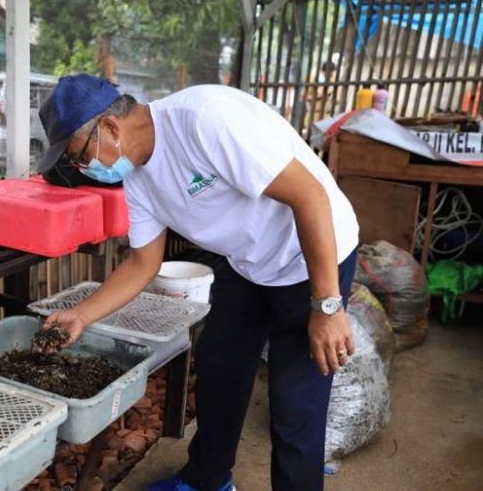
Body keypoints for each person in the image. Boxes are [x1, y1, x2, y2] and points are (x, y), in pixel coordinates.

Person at [36, 73, 359, 491]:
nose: (81, 169)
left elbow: (309, 196)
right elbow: (142, 264)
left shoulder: (206, 120)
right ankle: (208, 479)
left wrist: (327, 305)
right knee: (219, 367)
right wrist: (80, 315)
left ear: (109, 127)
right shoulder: (137, 178)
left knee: (296, 403)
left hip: (310, 256)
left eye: (78, 156)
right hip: (247, 264)